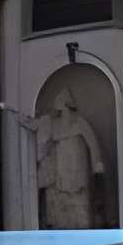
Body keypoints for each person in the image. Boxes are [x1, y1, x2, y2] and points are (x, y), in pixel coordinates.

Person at [34, 87, 107, 230]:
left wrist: (97, 170)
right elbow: (45, 148)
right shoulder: (53, 125)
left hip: (77, 179)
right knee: (59, 218)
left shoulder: (80, 123)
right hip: (59, 180)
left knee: (80, 218)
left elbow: (94, 147)